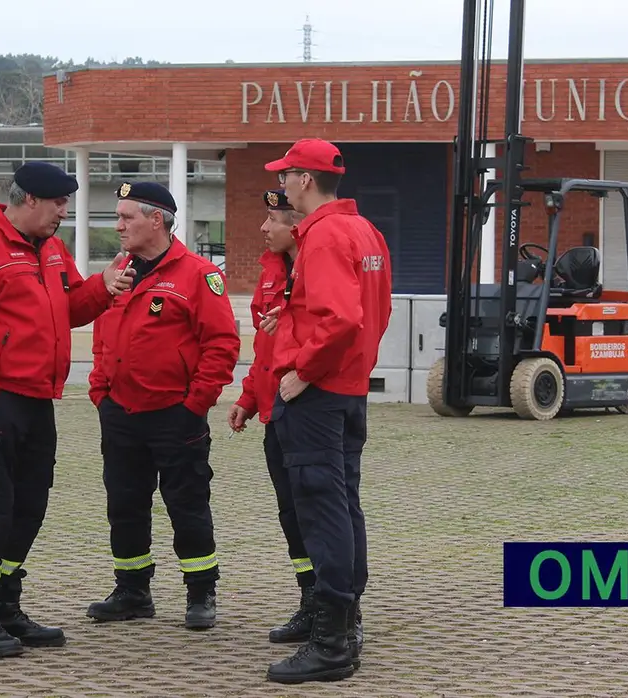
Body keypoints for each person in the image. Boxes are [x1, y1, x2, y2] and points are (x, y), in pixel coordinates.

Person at [0, 161, 134, 658]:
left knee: (30, 505)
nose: (64, 213)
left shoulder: (51, 249)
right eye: (58, 204)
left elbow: (69, 310)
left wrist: (103, 288)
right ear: (29, 201)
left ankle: (6, 605)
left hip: (39, 398)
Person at [260, 139, 393, 684]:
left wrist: (304, 371)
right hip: (349, 389)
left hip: (318, 393)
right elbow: (377, 312)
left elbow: (340, 319)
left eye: (285, 177)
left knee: (322, 510)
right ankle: (344, 620)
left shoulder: (324, 235)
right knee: (344, 504)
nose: (282, 187)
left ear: (305, 180)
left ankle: (332, 642)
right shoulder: (366, 232)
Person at [85, 181, 240, 631]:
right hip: (121, 414)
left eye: (126, 217)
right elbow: (103, 334)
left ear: (156, 220)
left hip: (176, 415)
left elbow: (222, 345)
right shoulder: (118, 271)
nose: (118, 226)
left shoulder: (197, 275)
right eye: (117, 217)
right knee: (125, 505)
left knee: (187, 503)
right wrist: (100, 391)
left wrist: (195, 404)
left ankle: (200, 592)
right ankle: (132, 590)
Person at [224, 189, 317, 643]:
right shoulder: (271, 273)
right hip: (274, 408)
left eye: (272, 220)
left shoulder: (314, 270)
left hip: (307, 405)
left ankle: (333, 605)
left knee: (315, 509)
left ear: (294, 226)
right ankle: (309, 599)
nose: (263, 229)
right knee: (290, 512)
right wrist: (247, 398)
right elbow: (265, 350)